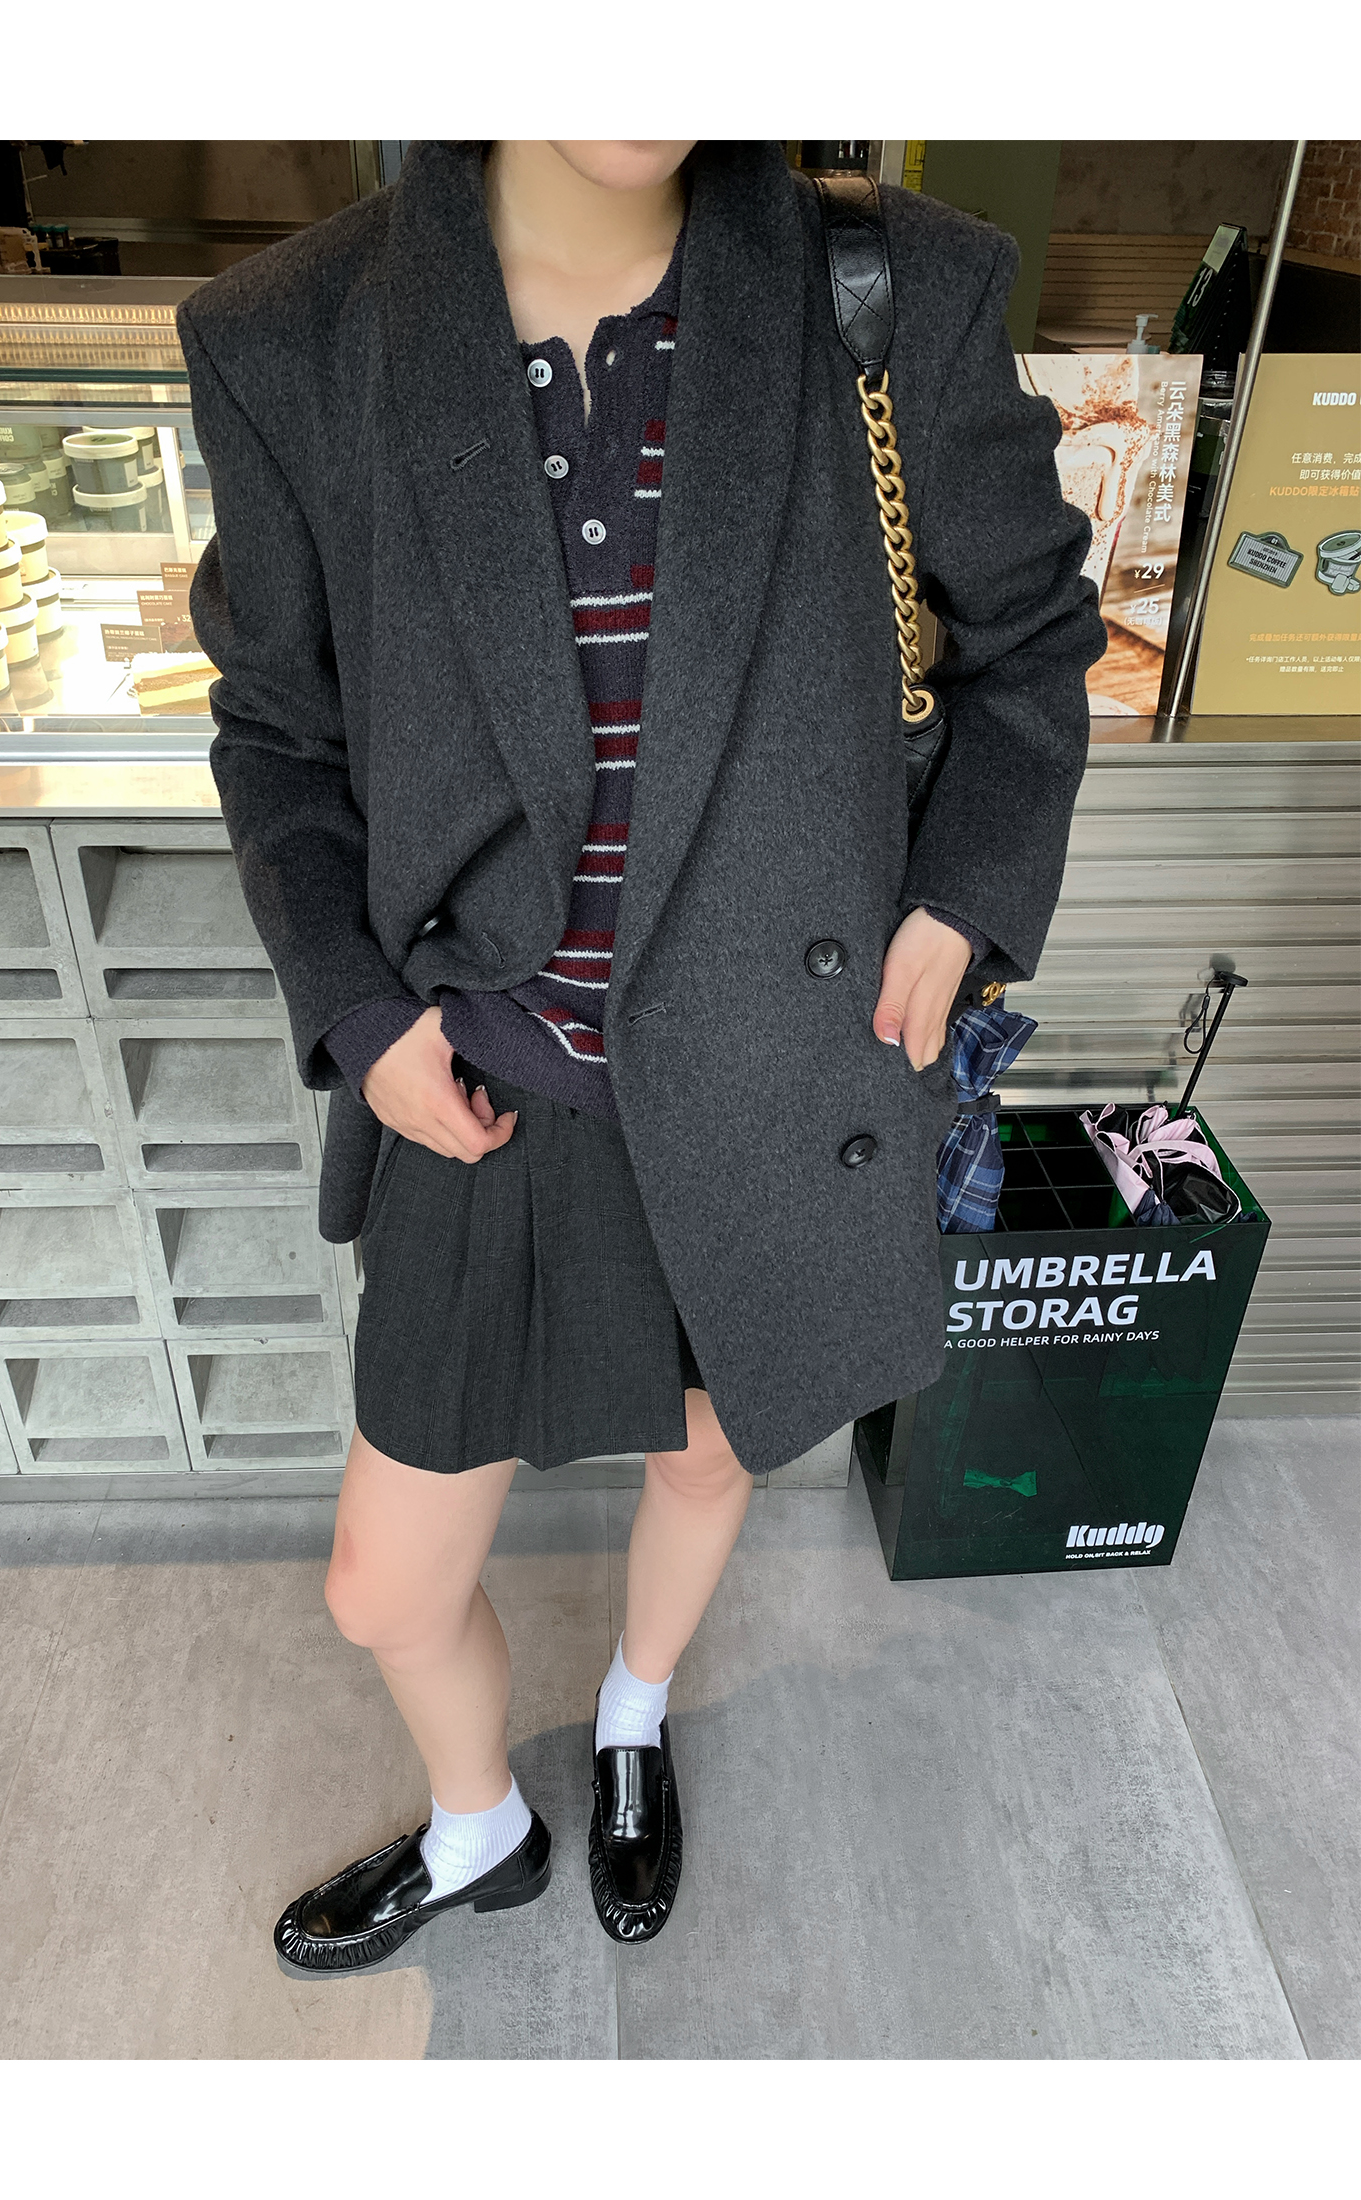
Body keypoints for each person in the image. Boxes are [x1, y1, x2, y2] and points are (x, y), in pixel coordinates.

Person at [178, 138, 1104, 1975]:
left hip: (778, 1050)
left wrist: (965, 896)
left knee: (704, 1459)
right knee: (385, 1583)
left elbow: (1032, 644)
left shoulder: (893, 286)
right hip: (485, 1078)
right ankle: (479, 1827)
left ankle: (630, 1719)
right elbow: (277, 728)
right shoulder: (291, 335)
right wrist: (358, 1011)